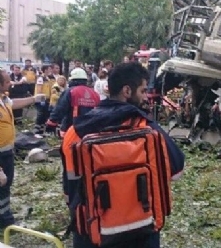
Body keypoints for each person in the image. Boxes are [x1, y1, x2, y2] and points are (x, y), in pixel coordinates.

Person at [61, 62, 185, 248]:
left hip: (93, 232)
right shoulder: (147, 128)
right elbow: (177, 172)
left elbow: (70, 190)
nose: (146, 97)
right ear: (127, 91)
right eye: (143, 91)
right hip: (141, 231)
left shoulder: (75, 132)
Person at [0, 69, 46, 228]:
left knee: (5, 186)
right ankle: (5, 221)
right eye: (7, 82)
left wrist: (33, 98)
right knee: (2, 185)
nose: (10, 83)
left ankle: (4, 218)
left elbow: (15, 103)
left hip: (7, 152)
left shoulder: (4, 99)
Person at [45, 68, 100, 138]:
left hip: (72, 130)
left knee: (69, 148)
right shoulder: (94, 93)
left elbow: (60, 109)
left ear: (72, 80)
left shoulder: (70, 91)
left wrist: (51, 123)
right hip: (90, 131)